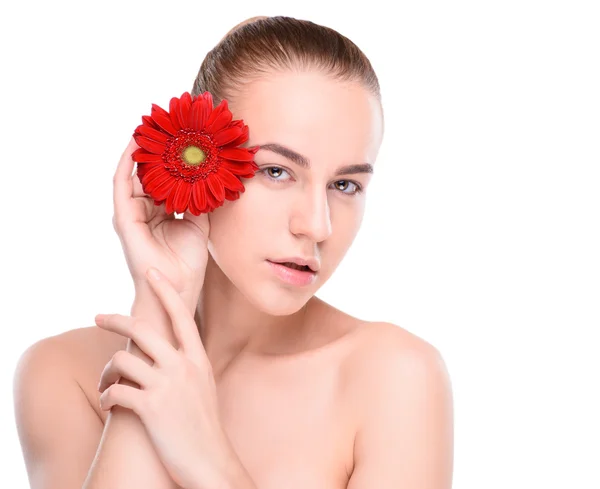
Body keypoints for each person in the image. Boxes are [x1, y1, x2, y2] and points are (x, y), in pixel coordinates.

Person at [13, 15, 453, 489]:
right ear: (197, 160)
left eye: (345, 184)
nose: (317, 225)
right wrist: (159, 308)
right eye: (277, 171)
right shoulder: (67, 374)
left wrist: (206, 457)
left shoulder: (394, 380)